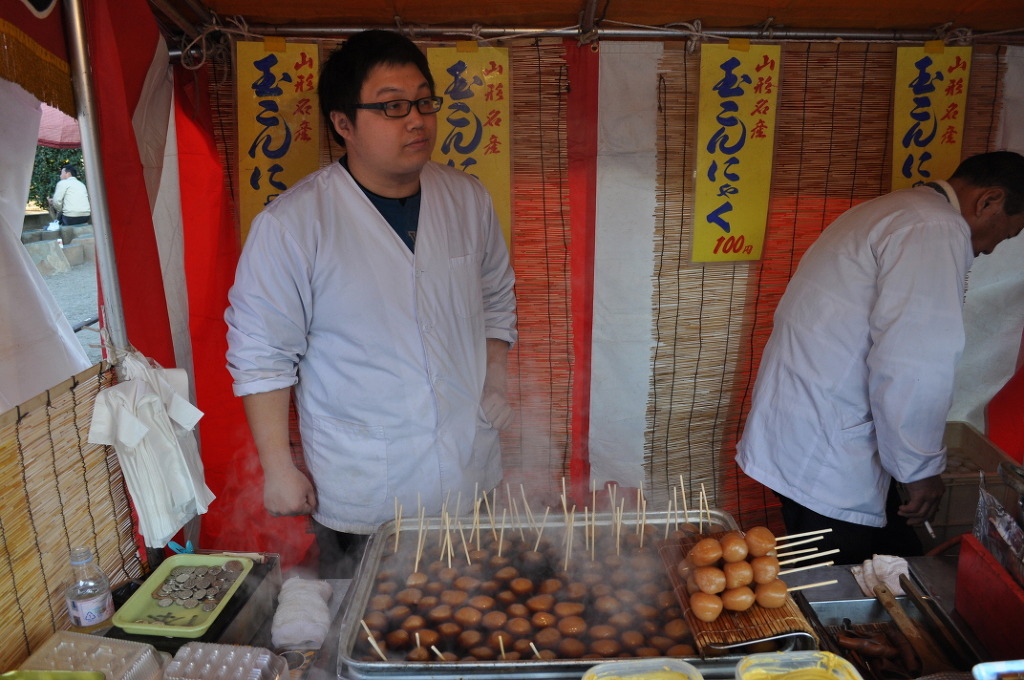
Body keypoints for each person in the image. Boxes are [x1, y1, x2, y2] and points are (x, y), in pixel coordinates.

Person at [225, 30, 517, 578]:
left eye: (424, 102)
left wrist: (494, 383)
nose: (416, 120)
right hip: (366, 480)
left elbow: (497, 299)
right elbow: (261, 354)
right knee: (365, 618)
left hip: (467, 467)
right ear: (343, 123)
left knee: (473, 607)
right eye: (392, 106)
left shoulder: (467, 199)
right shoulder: (293, 224)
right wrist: (278, 468)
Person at [736, 151, 1024, 565]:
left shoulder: (893, 209)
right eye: (1007, 234)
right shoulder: (935, 228)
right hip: (829, 452)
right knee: (845, 580)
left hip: (802, 430)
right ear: (989, 201)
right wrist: (921, 470)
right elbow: (914, 363)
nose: (993, 248)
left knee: (891, 557)